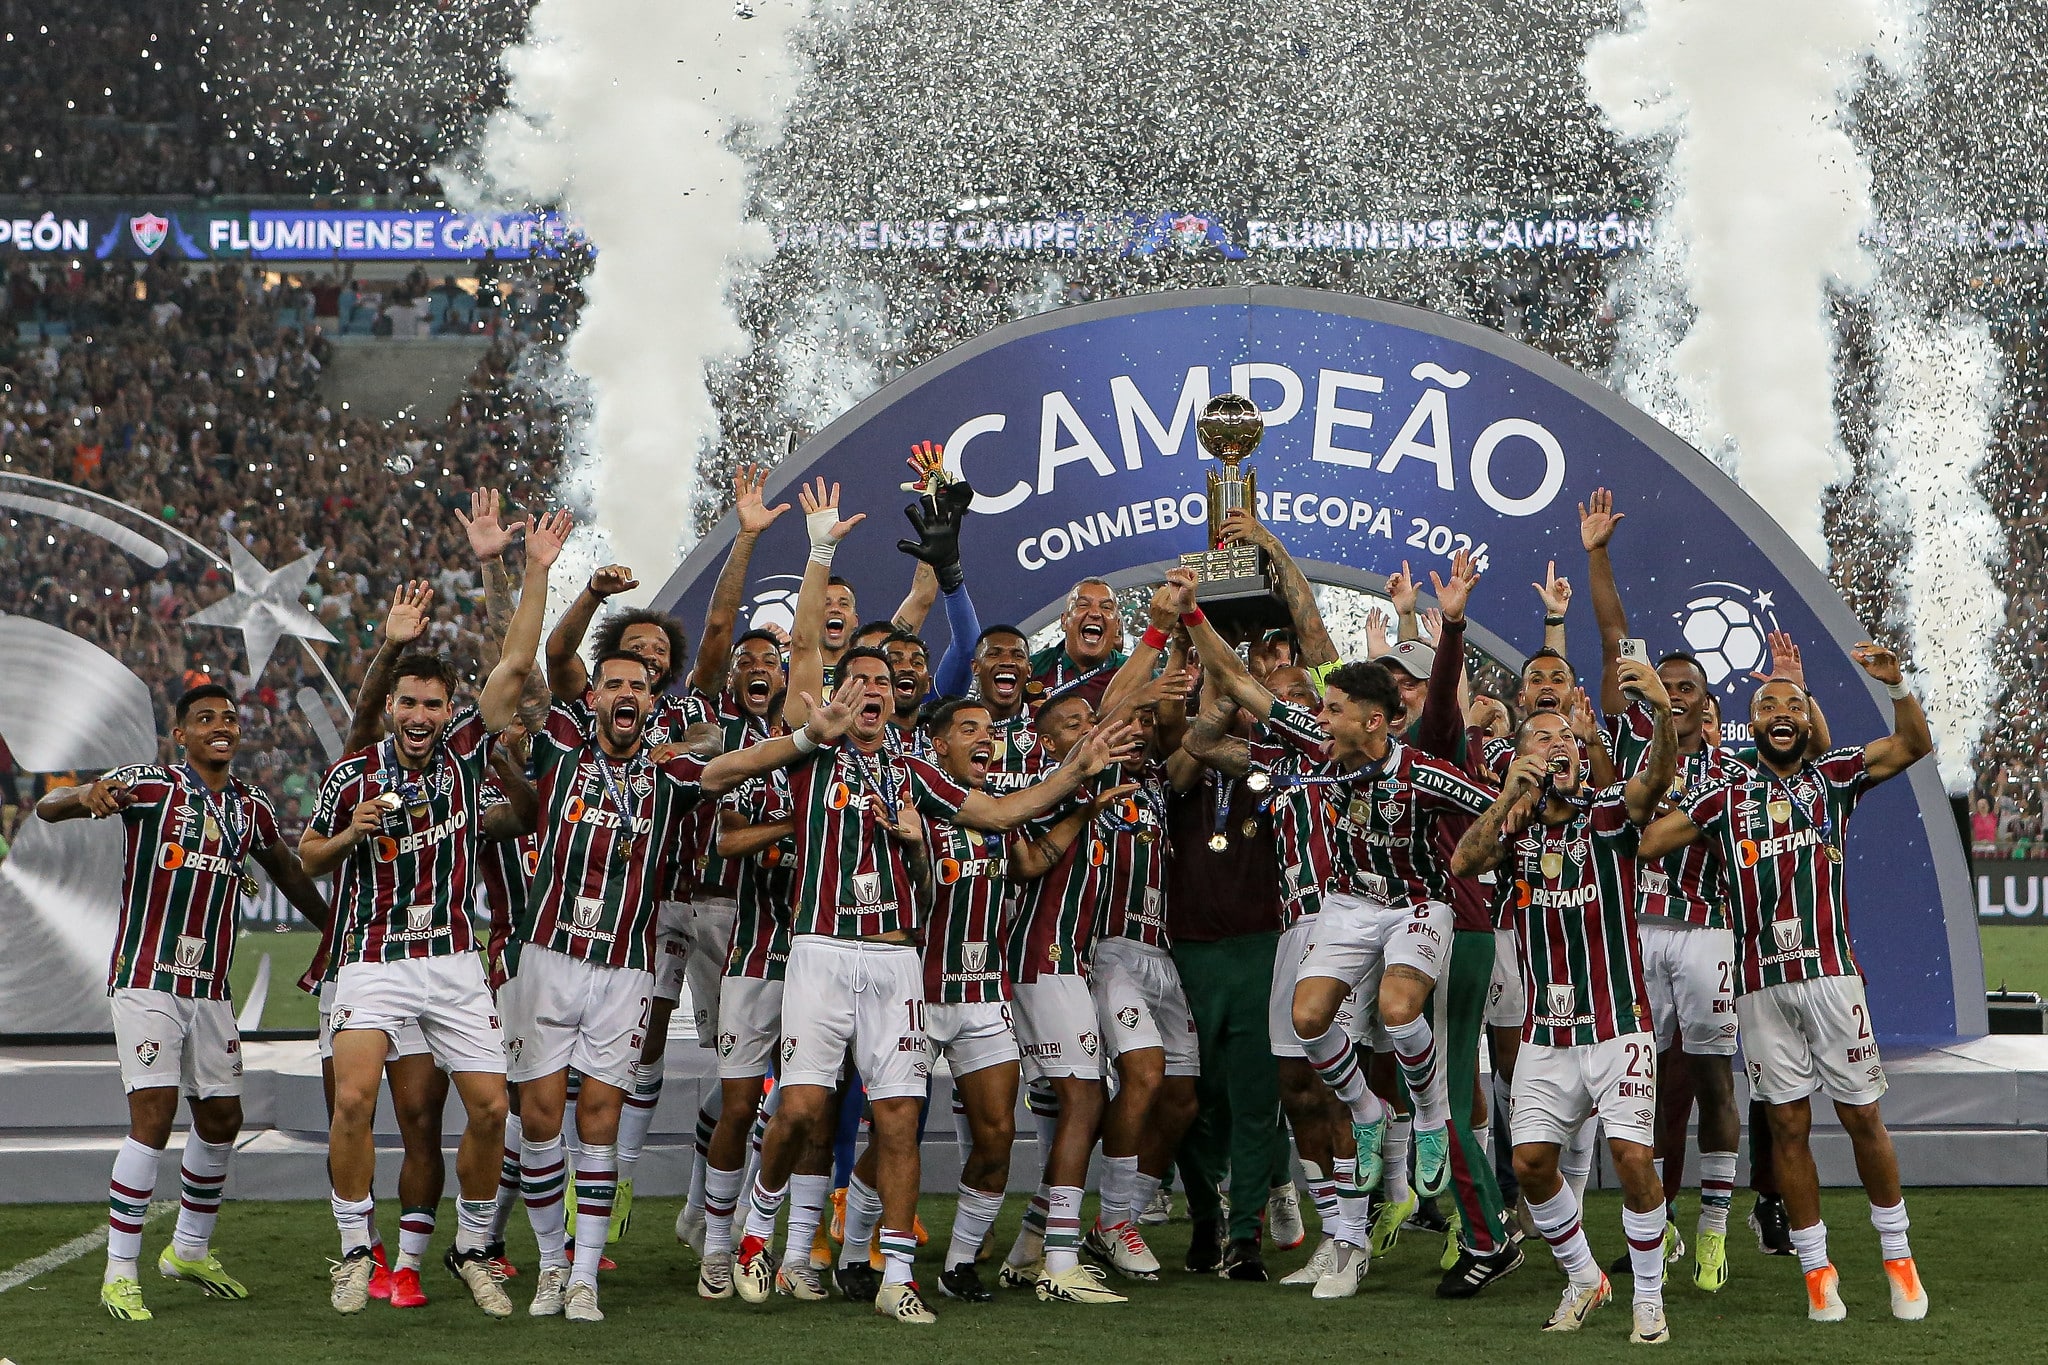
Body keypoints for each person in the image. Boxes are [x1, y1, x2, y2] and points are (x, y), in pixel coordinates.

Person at [734, 480, 1138, 1324]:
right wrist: (816, 549)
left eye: (886, 681)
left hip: (899, 964)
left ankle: (901, 1275)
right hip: (818, 951)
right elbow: (805, 641)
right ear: (839, 694)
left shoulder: (917, 771)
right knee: (803, 1107)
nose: (875, 688)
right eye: (862, 679)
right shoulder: (814, 750)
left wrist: (1075, 773)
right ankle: (758, 1228)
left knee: (901, 1118)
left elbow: (1006, 813)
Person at [503, 630, 857, 1323]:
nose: (627, 693)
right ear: (595, 696)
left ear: (650, 700)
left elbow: (735, 767)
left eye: (639, 686)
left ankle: (582, 1277)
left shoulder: (670, 775)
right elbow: (534, 667)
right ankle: (549, 1264)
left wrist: (808, 739)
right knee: (542, 1119)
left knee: (599, 1119)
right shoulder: (559, 758)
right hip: (546, 955)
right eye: (615, 684)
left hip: (626, 967)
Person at [300, 509, 572, 1318]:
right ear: (391, 709)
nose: (420, 717)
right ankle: (355, 1248)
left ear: (449, 707)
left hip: (453, 960)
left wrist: (536, 569)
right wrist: (351, 832)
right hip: (374, 958)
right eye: (409, 704)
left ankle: (471, 1245)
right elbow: (308, 852)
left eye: (433, 704)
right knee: (353, 1100)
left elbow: (518, 659)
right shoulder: (354, 776)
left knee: (492, 1107)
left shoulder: (462, 752)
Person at [1637, 641, 1934, 1323]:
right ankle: (1816, 1269)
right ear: (1750, 724)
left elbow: (1912, 743)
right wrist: (1663, 787)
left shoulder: (1832, 776)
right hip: (1759, 986)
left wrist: (1895, 685)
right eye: (1767, 704)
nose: (1780, 711)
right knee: (1788, 1125)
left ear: (1807, 721)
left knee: (1862, 1115)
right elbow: (1650, 843)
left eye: (1792, 704)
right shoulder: (1724, 795)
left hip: (1832, 977)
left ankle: (1897, 1256)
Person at [1189, 599, 1497, 1246]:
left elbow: (1490, 808)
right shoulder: (1321, 748)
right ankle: (1366, 1110)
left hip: (1418, 904)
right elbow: (1242, 683)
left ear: (1375, 721)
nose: (1320, 718)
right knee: (1308, 1021)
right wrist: (1191, 616)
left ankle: (1433, 1118)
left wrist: (1522, 795)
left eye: (1333, 709)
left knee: (1397, 1008)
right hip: (1348, 905)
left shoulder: (1425, 772)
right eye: (1321, 708)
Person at [37, 682, 334, 1323]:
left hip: (210, 990)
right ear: (182, 734)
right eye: (205, 719)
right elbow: (47, 805)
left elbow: (285, 870)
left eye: (229, 718)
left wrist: (336, 928)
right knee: (154, 1113)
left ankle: (189, 1251)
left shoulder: (250, 807)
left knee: (222, 1118)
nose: (221, 727)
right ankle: (119, 1272)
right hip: (147, 978)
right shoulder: (149, 785)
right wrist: (82, 797)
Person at [1451, 659, 1679, 1344]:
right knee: (1530, 1165)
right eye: (1540, 740)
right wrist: (1502, 800)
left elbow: (1655, 783)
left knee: (1635, 1159)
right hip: (1546, 1034)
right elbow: (1463, 862)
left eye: (1565, 740)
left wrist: (1663, 716)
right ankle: (1584, 1277)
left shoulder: (1607, 816)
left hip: (1618, 1024)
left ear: (1583, 757)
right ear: (1520, 759)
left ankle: (1648, 1299)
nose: (1555, 748)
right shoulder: (1513, 830)